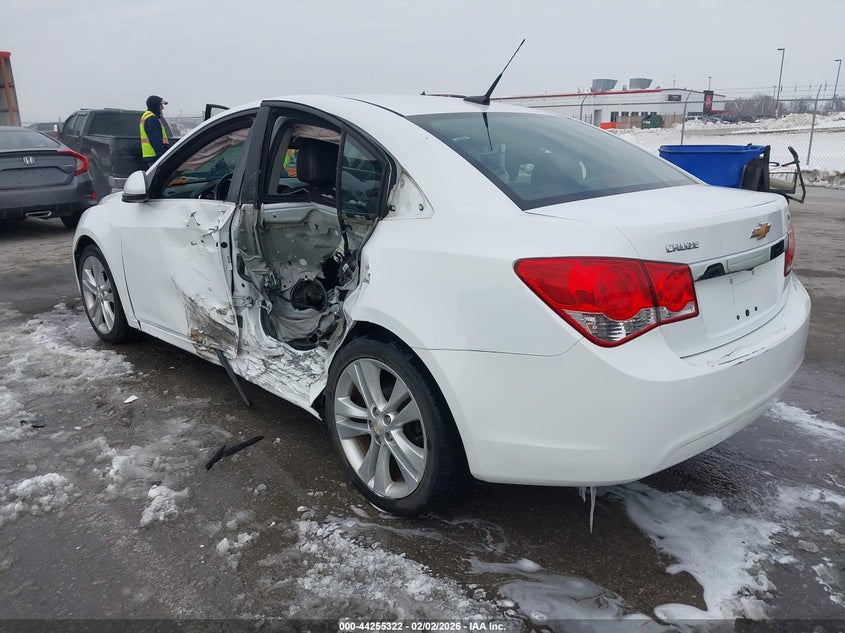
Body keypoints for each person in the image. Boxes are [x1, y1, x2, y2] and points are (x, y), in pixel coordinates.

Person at [140, 95, 171, 168]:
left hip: (152, 157)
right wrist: (163, 159)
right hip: (155, 158)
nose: (162, 107)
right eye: (161, 105)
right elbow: (156, 141)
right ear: (155, 105)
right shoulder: (152, 119)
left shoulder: (147, 116)